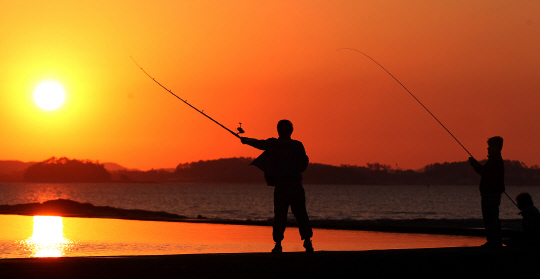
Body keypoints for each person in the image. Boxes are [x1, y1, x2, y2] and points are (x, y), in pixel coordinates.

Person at [241, 119, 313, 253]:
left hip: (281, 186)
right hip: (295, 184)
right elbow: (305, 161)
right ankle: (307, 241)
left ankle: (278, 244)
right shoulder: (297, 145)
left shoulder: (273, 144)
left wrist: (245, 140)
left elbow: (259, 143)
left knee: (280, 215)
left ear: (278, 130)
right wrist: (300, 169)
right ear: (291, 131)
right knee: (301, 214)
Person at [469, 136, 505, 248]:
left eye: (490, 146)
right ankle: (495, 241)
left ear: (496, 147)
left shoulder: (495, 160)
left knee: (490, 218)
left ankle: (493, 242)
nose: (488, 149)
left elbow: (484, 172)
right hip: (492, 193)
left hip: (490, 194)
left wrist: (474, 164)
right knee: (493, 218)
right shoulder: (495, 160)